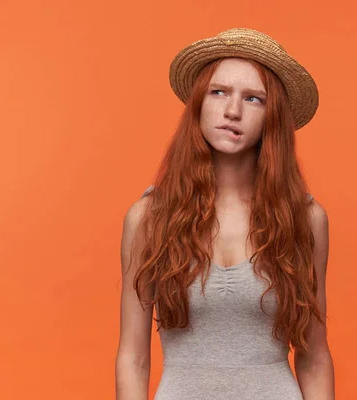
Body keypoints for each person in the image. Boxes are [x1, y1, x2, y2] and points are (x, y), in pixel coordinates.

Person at [115, 28, 335, 399]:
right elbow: (133, 357)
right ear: (199, 102)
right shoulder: (149, 217)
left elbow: (314, 357)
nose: (233, 111)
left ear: (272, 117)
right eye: (219, 92)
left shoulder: (306, 219)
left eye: (253, 99)